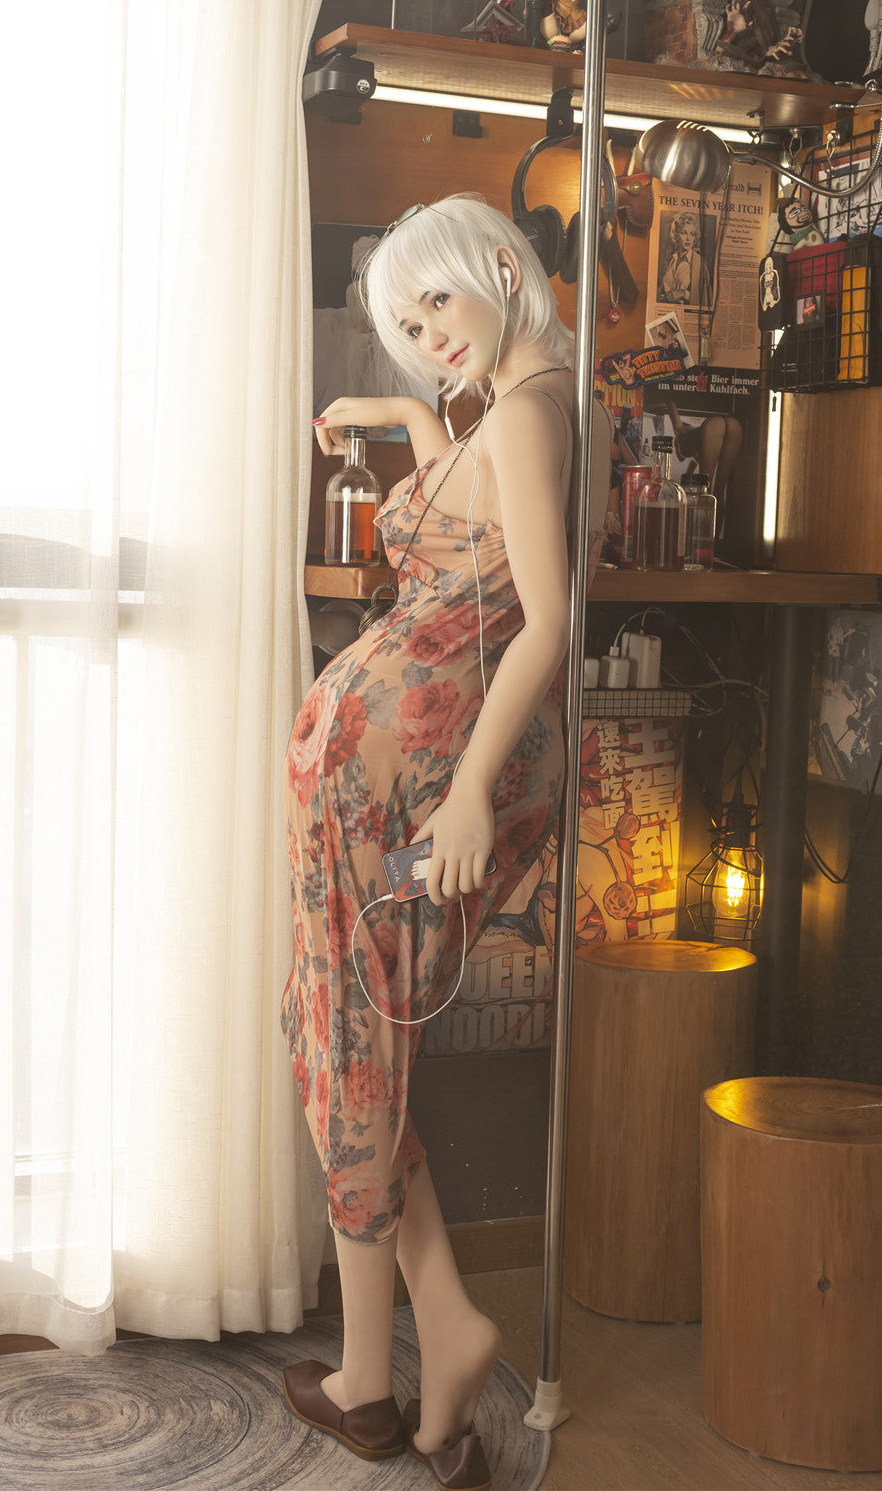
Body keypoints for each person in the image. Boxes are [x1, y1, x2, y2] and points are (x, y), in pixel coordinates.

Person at [279, 193, 609, 1487]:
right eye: (407, 327)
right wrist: (398, 413)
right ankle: (441, 1333)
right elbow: (464, 532)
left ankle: (373, 1380)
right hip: (387, 783)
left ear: (502, 269)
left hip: (423, 790)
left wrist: (468, 794)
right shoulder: (515, 404)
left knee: (354, 1037)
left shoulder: (528, 412)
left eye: (437, 302)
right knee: (351, 1031)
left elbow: (546, 621)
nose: (428, 336)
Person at [659, 212, 712, 309]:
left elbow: (706, 299)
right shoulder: (673, 259)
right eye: (684, 233)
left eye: (692, 234)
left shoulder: (700, 263)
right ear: (676, 235)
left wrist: (684, 294)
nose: (688, 238)